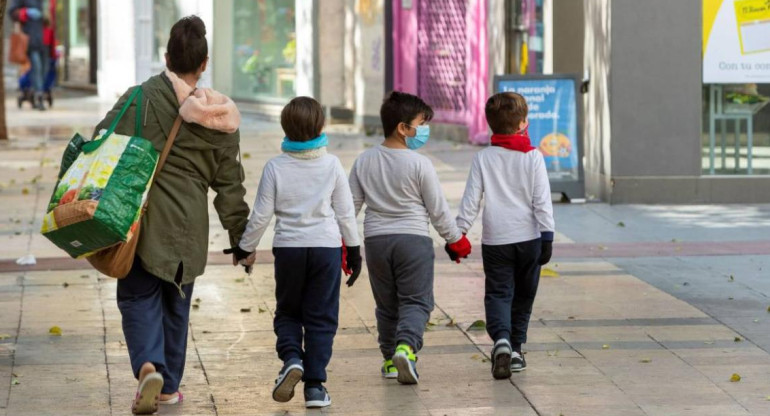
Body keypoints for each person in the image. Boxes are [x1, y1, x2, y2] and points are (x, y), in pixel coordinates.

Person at [92, 16, 250, 414]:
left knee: (137, 296)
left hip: (141, 222)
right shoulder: (221, 117)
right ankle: (168, 387)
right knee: (176, 304)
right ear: (204, 63)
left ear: (166, 57)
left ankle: (148, 365)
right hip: (188, 226)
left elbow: (102, 141)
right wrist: (240, 239)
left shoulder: (141, 97)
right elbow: (229, 184)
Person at [236, 97, 361, 409]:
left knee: (289, 311)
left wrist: (245, 248)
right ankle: (315, 386)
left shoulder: (275, 167)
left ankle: (292, 358)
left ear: (285, 128)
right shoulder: (332, 164)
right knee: (321, 316)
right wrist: (355, 252)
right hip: (326, 249)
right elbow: (345, 214)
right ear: (320, 126)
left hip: (289, 250)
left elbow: (261, 216)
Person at [348, 91, 472, 385]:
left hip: (376, 242)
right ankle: (406, 347)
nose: (424, 130)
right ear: (403, 128)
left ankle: (390, 360)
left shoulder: (364, 160)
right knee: (416, 302)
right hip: (413, 241)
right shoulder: (420, 164)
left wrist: (343, 242)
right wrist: (455, 241)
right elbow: (438, 210)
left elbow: (348, 207)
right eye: (421, 123)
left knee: (387, 305)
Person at [455, 92, 555, 379]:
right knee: (524, 296)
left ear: (490, 125)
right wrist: (547, 235)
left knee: (498, 293)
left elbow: (470, 202)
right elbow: (542, 200)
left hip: (496, 240)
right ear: (523, 123)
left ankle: (501, 340)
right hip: (530, 239)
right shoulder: (533, 156)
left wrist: (458, 233)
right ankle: (516, 350)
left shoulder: (483, 158)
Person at [9, 0, 48, 110]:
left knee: (45, 70)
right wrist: (26, 12)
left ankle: (32, 91)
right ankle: (39, 97)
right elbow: (12, 12)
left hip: (45, 40)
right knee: (37, 67)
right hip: (30, 39)